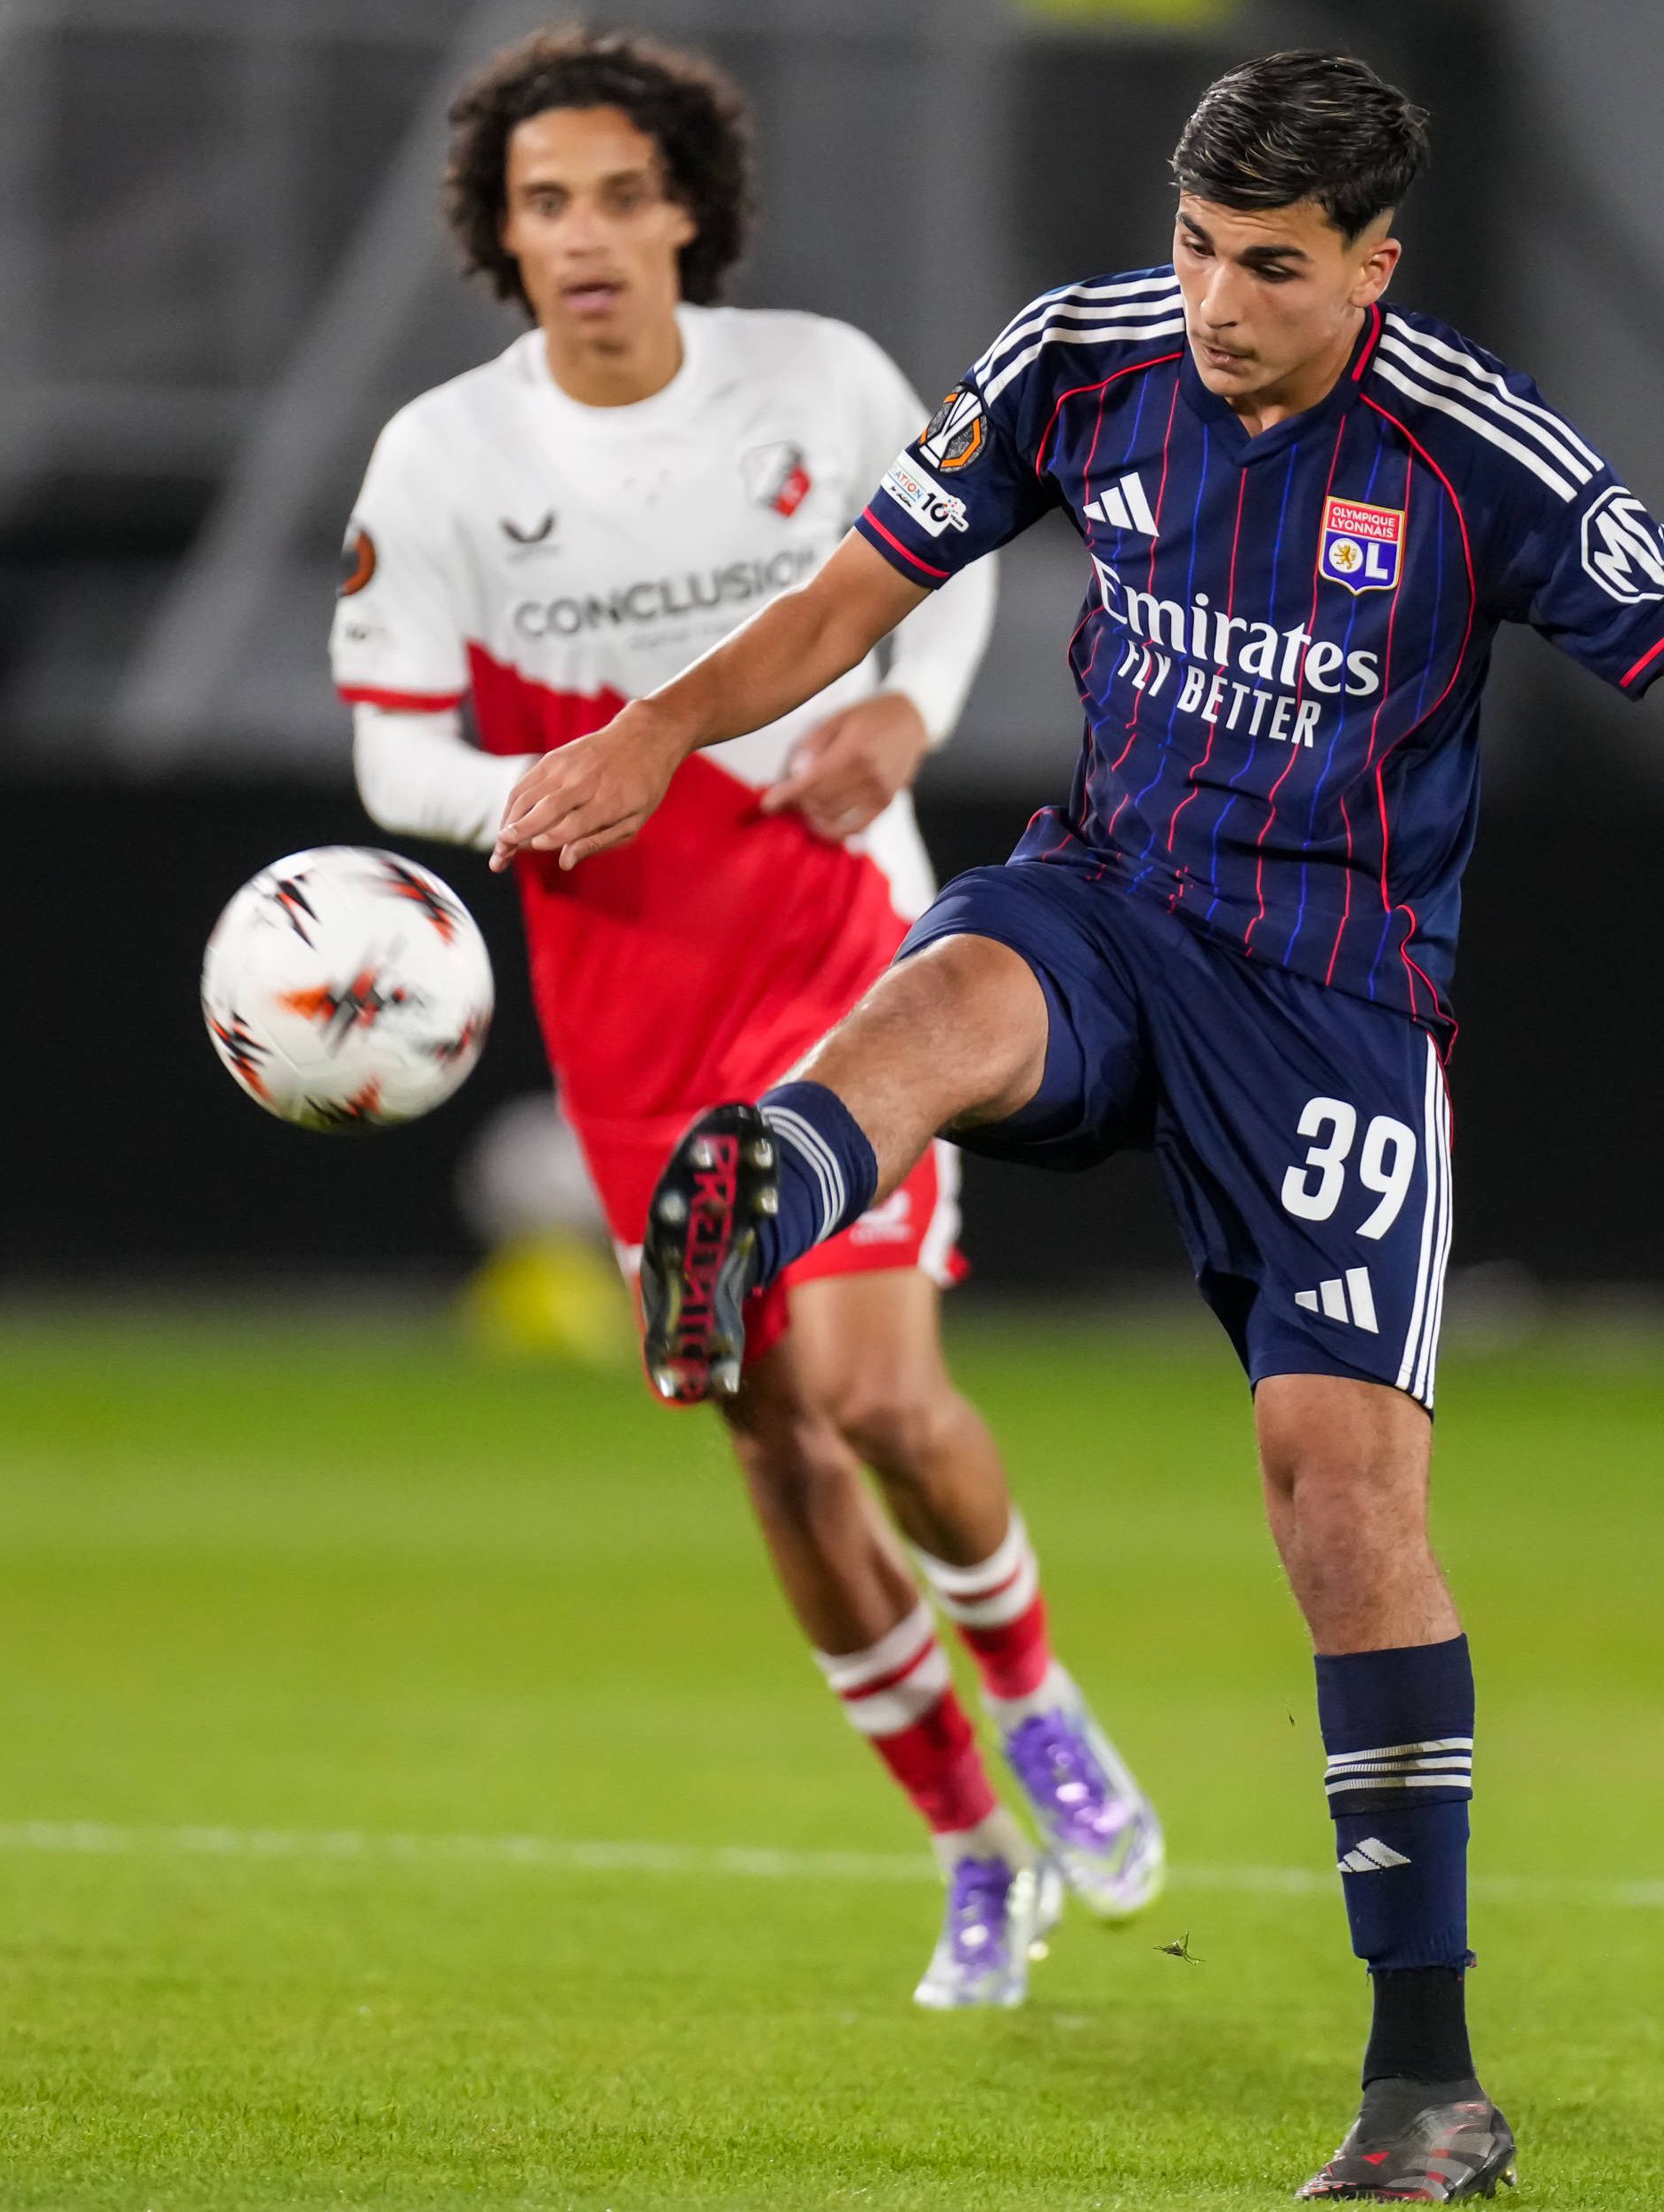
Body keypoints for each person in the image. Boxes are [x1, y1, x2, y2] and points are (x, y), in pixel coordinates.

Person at [493, 50, 1664, 2202]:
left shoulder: (1472, 448)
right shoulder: (1075, 360)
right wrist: (654, 726)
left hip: (1332, 1014)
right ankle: (756, 1185)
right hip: (1113, 903)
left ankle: (1424, 2087)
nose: (1213, 300)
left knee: (1336, 1505)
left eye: (1269, 268)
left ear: (1372, 266)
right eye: (1196, 246)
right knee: (937, 990)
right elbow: (848, 604)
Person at [335, 27, 1165, 2011]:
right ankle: (972, 1847)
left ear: (687, 205)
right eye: (548, 203)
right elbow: (390, 754)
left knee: (880, 1398)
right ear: (502, 234)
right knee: (775, 1446)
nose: (589, 234)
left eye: (623, 192)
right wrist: (537, 796)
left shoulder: (815, 383)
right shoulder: (442, 460)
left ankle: (1037, 1691)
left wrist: (903, 710)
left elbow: (945, 572)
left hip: (834, 958)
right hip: (622, 1009)